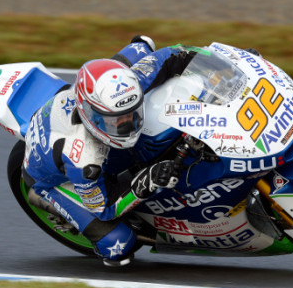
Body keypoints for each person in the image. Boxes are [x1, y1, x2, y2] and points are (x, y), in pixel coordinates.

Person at [22, 35, 196, 266]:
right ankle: (43, 198)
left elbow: (176, 54)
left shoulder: (126, 89)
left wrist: (230, 66)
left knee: (144, 45)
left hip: (72, 113)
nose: (127, 124)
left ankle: (134, 50)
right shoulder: (84, 160)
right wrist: (147, 182)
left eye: (132, 114)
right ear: (91, 116)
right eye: (117, 120)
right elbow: (105, 209)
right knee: (119, 245)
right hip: (52, 179)